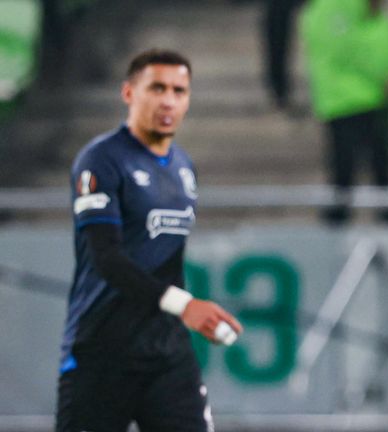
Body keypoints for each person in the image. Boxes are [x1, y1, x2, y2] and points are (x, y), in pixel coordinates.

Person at [56, 49, 243, 432]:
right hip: (102, 351)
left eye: (179, 90)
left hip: (166, 354)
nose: (169, 100)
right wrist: (186, 304)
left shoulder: (182, 167)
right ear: (129, 93)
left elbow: (166, 260)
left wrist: (179, 311)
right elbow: (107, 258)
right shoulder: (101, 160)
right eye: (157, 88)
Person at [299, 0, 388, 223]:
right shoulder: (334, 9)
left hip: (366, 97)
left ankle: (383, 216)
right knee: (349, 166)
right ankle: (343, 220)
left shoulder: (356, 9)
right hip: (349, 98)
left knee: (380, 164)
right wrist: (387, 74)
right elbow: (346, 48)